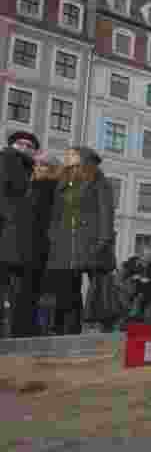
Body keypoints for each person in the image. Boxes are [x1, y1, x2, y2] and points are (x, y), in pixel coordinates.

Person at [45, 147, 116, 336]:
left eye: (75, 161)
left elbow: (106, 212)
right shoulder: (64, 183)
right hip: (66, 243)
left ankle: (102, 326)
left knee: (99, 289)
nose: (71, 164)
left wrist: (104, 239)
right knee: (67, 288)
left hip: (92, 242)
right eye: (70, 161)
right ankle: (68, 329)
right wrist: (53, 236)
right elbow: (56, 214)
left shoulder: (100, 182)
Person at [0, 132, 57, 337]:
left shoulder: (31, 172)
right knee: (19, 292)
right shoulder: (8, 159)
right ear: (12, 145)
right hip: (13, 237)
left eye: (29, 145)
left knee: (22, 293)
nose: (25, 147)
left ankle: (20, 335)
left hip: (23, 242)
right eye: (20, 143)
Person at [120, 245, 151, 323]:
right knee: (135, 319)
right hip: (134, 298)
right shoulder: (131, 266)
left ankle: (144, 334)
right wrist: (133, 278)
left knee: (148, 320)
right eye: (148, 255)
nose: (150, 257)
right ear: (141, 255)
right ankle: (137, 333)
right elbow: (121, 280)